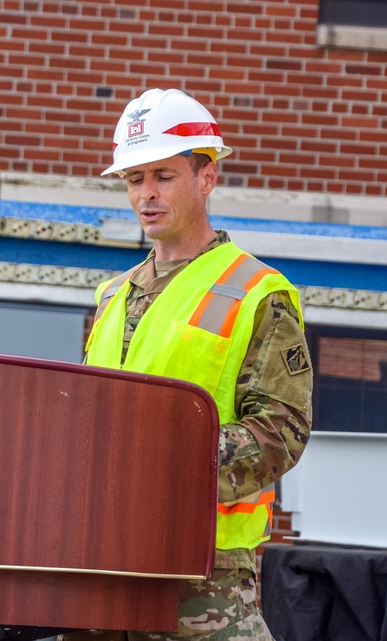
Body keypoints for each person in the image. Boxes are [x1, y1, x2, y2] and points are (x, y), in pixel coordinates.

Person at [74, 89, 313, 640]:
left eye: (164, 175)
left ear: (206, 178)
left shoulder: (256, 291)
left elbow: (281, 433)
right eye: (135, 180)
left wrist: (163, 463)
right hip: (101, 566)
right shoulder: (112, 296)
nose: (147, 194)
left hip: (206, 579)